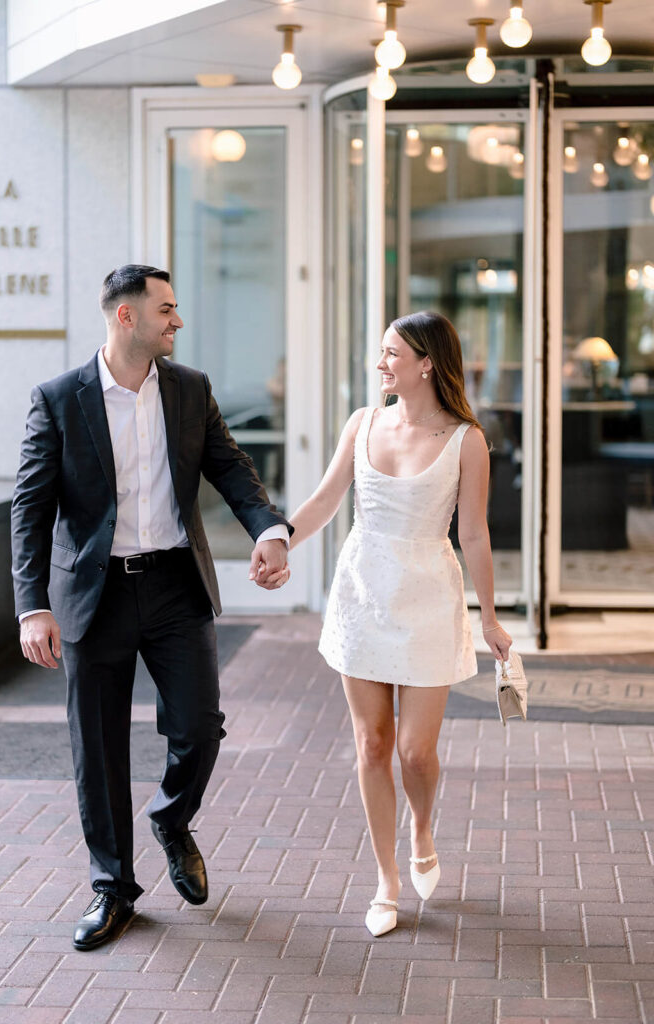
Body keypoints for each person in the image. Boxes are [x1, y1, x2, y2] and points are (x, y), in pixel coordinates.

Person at [11, 265, 291, 951]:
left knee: (199, 726)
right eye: (166, 309)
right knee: (97, 750)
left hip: (173, 585)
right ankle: (113, 890)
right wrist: (31, 606)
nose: (178, 321)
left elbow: (230, 467)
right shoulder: (58, 399)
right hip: (93, 596)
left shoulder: (190, 390)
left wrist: (270, 529)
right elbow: (30, 509)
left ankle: (171, 816)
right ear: (125, 317)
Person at [285, 311, 512, 937]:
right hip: (361, 594)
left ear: (425, 364)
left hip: (430, 601)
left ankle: (422, 825)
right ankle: (386, 878)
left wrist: (490, 616)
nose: (380, 363)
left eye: (391, 354)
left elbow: (473, 533)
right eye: (381, 353)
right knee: (373, 745)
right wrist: (278, 540)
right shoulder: (363, 424)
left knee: (416, 752)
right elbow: (328, 499)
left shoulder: (467, 440)